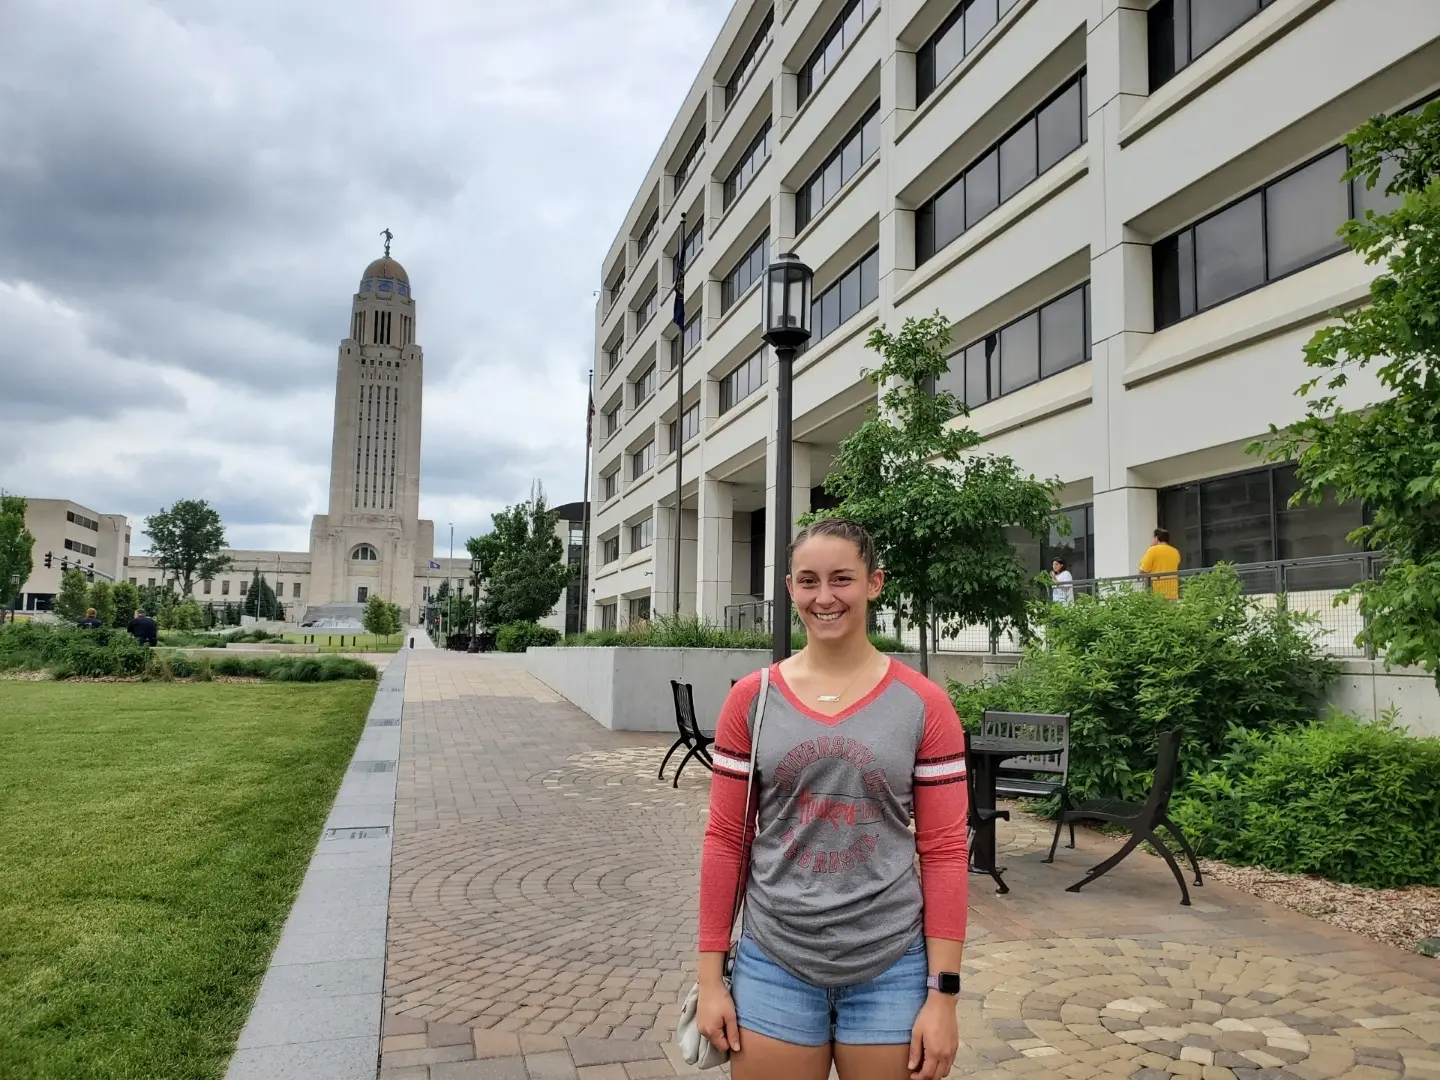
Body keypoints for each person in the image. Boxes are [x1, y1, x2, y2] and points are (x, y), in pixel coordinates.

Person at [696, 517, 970, 1080]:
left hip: (892, 967)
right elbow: (726, 840)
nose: (825, 597)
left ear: (874, 583)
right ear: (790, 588)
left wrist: (943, 995)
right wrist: (710, 980)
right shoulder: (752, 700)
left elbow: (944, 852)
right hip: (773, 962)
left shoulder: (923, 704)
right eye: (809, 581)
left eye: (842, 578)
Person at [1138, 528, 1182, 600]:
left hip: (1157, 592)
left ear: (1156, 538)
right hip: (1172, 591)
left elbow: (1143, 570)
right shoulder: (1175, 551)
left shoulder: (1153, 550)